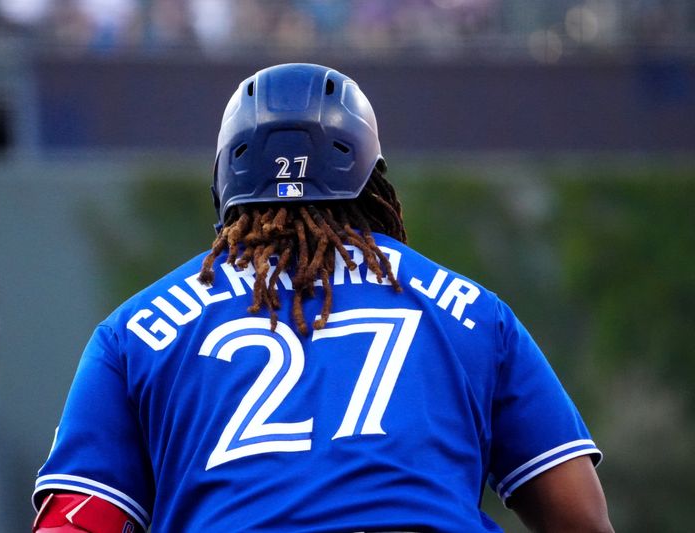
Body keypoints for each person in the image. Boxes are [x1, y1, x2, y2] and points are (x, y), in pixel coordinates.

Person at [32, 63, 613, 533]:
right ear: (374, 183)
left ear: (226, 185)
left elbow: (78, 526)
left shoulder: (132, 331)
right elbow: (579, 517)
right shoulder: (475, 312)